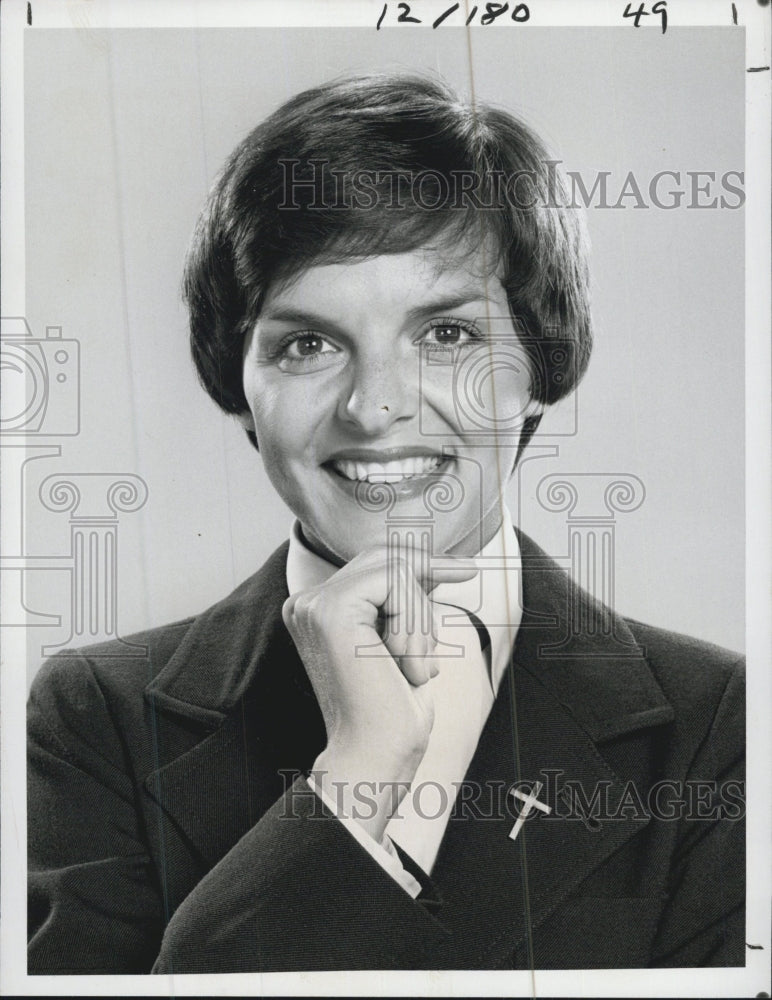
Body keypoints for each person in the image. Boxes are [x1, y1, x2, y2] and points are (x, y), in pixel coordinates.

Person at [27, 74, 745, 974]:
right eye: (307, 344)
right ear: (238, 388)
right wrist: (354, 777)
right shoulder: (98, 714)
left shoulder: (718, 723)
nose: (374, 408)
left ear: (540, 368)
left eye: (446, 336)